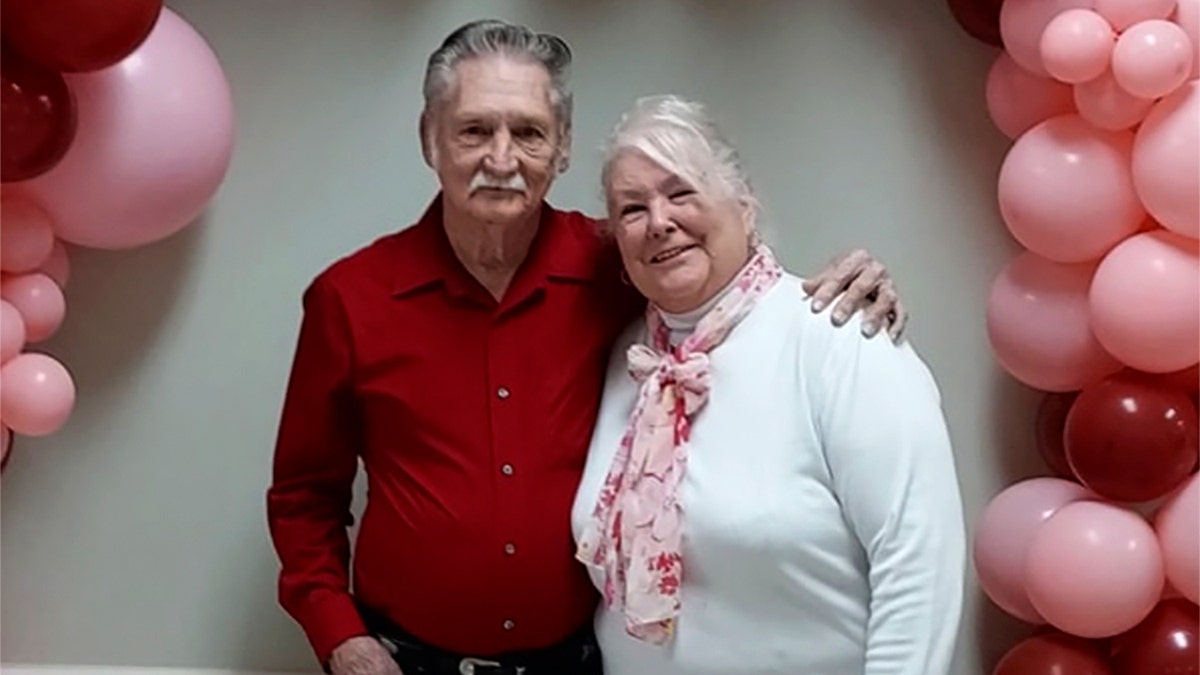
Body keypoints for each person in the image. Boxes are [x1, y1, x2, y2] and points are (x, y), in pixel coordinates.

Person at [267, 19, 908, 675]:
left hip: (578, 661)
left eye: (529, 132)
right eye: (474, 130)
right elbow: (302, 497)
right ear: (430, 138)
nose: (501, 157)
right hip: (406, 659)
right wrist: (339, 635)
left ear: (563, 146)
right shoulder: (349, 299)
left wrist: (839, 284)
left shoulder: (621, 268)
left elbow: (727, 291)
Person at [571, 94, 965, 675]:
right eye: (632, 209)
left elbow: (918, 567)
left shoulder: (839, 338)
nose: (659, 222)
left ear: (745, 205)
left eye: (682, 192)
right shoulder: (627, 359)